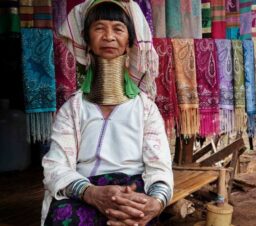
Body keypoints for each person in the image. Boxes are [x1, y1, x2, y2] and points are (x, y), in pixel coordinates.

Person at [41, 0, 173, 225]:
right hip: (85, 189)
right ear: (87, 41)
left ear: (129, 42)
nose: (109, 36)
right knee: (62, 215)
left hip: (131, 191)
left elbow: (159, 166)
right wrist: (91, 193)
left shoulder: (145, 109)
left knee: (135, 215)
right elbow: (56, 165)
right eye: (99, 28)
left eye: (118, 29)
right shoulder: (72, 109)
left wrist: (156, 202)